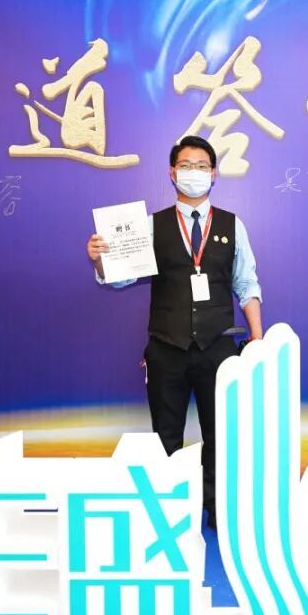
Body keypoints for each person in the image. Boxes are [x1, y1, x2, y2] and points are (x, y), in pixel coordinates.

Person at [87, 135, 263, 530]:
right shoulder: (151, 226)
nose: (193, 173)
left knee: (220, 435)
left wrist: (257, 340)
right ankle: (168, 513)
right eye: (186, 166)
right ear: (172, 173)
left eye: (201, 166)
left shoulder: (233, 226)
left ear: (213, 174)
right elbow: (119, 278)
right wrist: (100, 261)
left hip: (218, 350)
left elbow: (247, 284)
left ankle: (216, 509)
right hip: (167, 350)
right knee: (165, 436)